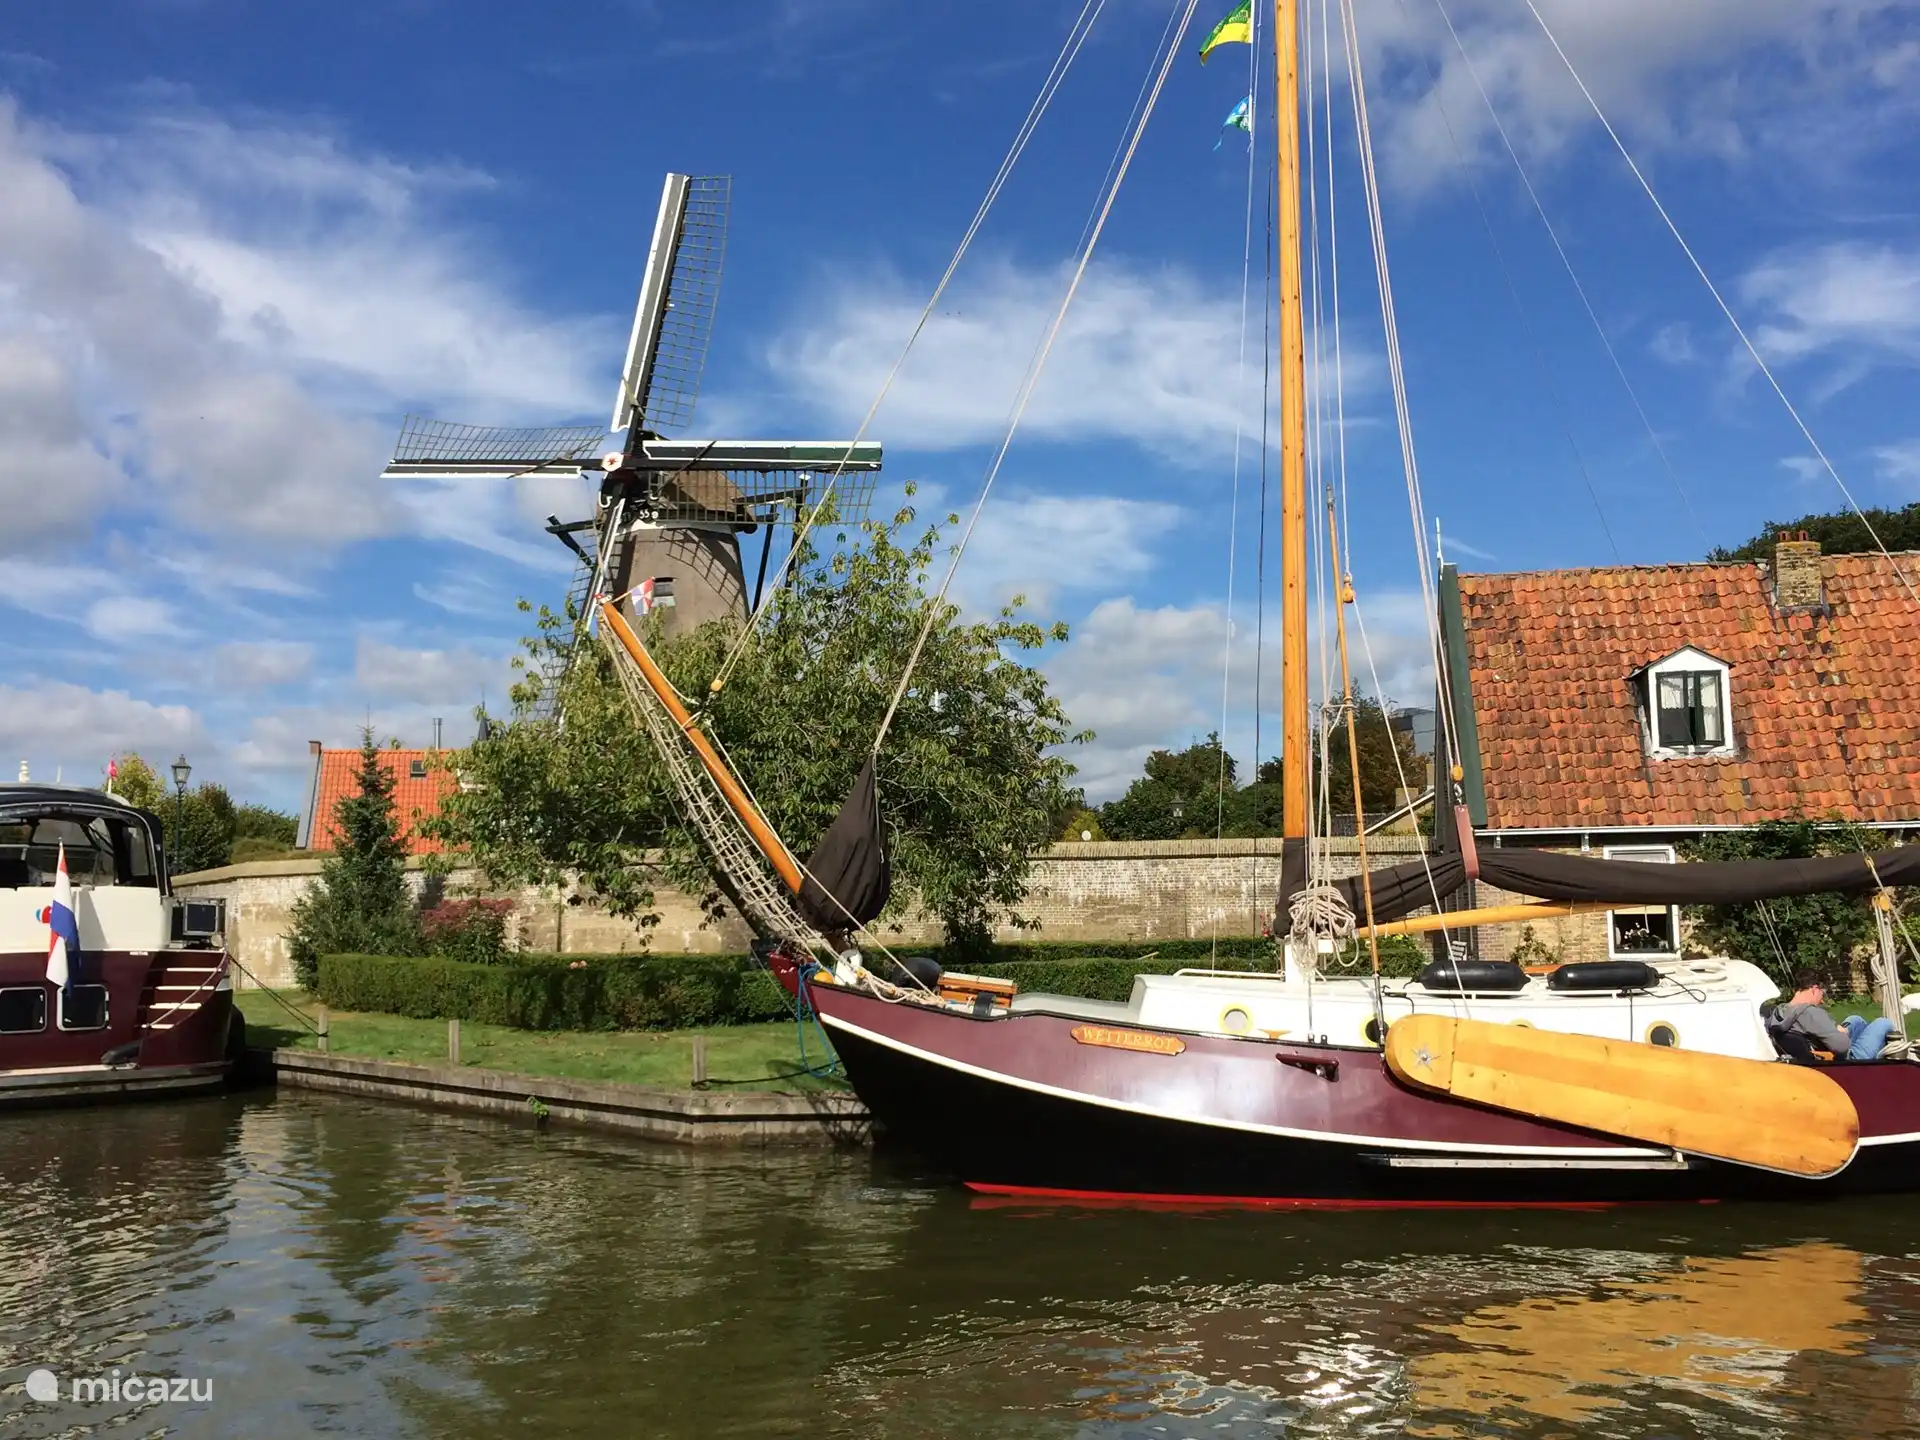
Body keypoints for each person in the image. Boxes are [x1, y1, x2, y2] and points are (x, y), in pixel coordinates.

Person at [1767, 971, 1897, 1061]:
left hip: (1814, 1047)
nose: (1822, 1000)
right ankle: (1879, 1058)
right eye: (1822, 994)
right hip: (1848, 1059)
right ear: (1814, 989)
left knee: (1855, 1020)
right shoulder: (1811, 1013)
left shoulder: (1779, 1011)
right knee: (1883, 1023)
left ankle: (1871, 1042)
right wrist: (1840, 1034)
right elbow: (1842, 1047)